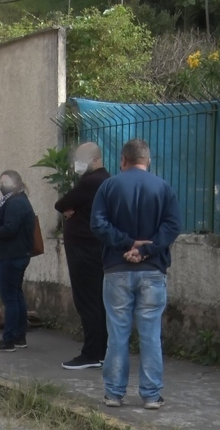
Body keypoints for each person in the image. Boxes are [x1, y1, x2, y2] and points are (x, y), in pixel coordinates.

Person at [91, 139, 181, 410]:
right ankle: (151, 395)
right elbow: (173, 225)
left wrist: (125, 243)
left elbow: (98, 224)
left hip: (117, 269)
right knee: (151, 334)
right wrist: (147, 249)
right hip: (152, 270)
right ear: (148, 160)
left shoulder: (108, 186)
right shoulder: (163, 187)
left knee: (117, 333)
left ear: (123, 160)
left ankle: (114, 393)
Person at [55, 142, 111, 370]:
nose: (77, 163)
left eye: (82, 158)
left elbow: (61, 203)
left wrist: (71, 211)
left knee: (88, 301)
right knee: (97, 300)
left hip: (84, 250)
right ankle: (102, 350)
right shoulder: (105, 180)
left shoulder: (92, 181)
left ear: (95, 160)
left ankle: (92, 353)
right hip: (93, 248)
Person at [0, 171, 37, 353]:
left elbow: (9, 229)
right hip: (14, 254)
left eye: (4, 182)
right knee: (16, 295)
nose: (1, 185)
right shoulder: (16, 200)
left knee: (10, 298)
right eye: (0, 182)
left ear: (15, 183)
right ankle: (19, 336)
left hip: (10, 256)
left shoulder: (15, 202)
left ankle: (9, 339)